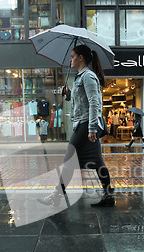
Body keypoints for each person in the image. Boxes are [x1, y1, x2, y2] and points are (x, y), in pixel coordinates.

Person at [39, 44, 114, 207]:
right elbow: (82, 100)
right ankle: (109, 195)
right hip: (83, 123)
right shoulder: (80, 77)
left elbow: (95, 102)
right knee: (97, 162)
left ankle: (56, 196)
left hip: (86, 124)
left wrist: (92, 128)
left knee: (69, 160)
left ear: (81, 58)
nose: (70, 59)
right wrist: (68, 94)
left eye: (73, 56)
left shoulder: (88, 76)